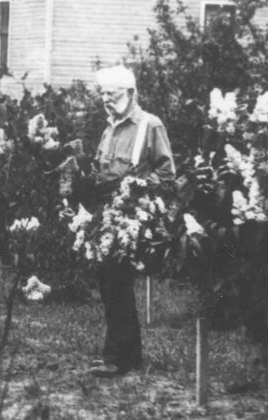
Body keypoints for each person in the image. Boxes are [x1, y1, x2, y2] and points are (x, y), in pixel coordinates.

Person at [77, 64, 176, 377]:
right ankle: (121, 354)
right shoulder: (110, 128)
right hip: (106, 216)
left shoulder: (150, 125)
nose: (106, 99)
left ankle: (119, 357)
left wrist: (134, 188)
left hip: (134, 216)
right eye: (103, 93)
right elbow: (98, 169)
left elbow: (166, 174)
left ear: (131, 92)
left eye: (112, 93)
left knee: (116, 281)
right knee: (109, 283)